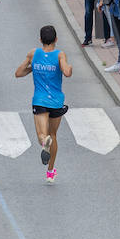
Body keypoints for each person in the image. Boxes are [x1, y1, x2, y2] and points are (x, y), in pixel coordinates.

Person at [15, 24, 72, 184]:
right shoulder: (60, 54)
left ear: (40, 39)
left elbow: (18, 73)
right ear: (56, 39)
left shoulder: (34, 54)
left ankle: (43, 141)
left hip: (40, 101)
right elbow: (67, 72)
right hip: (56, 101)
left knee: (42, 135)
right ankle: (50, 172)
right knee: (53, 135)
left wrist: (33, 67)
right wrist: (70, 67)